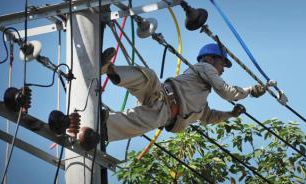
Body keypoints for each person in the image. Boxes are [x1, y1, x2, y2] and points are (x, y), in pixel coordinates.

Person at [102, 43, 267, 141]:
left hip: (165, 113)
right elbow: (227, 92)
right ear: (209, 59)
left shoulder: (200, 101)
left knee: (133, 122)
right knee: (148, 76)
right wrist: (250, 91)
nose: (222, 70)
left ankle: (99, 129)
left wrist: (230, 114)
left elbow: (208, 117)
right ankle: (109, 70)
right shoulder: (205, 67)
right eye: (222, 64)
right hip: (161, 95)